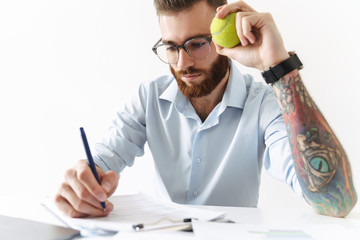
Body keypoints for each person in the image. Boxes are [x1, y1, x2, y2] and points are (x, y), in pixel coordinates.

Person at [55, 0, 357, 218]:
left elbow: (334, 200)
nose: (182, 63)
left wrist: (278, 66)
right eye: (171, 47)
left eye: (197, 44)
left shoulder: (264, 104)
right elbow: (104, 159)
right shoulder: (149, 97)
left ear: (227, 38)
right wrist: (84, 183)